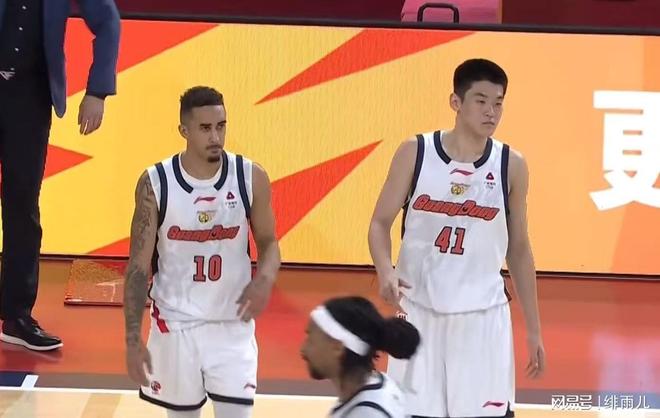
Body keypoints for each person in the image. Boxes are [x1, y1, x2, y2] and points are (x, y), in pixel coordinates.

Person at [368, 58, 545, 417]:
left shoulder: (511, 164)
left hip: (483, 317)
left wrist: (534, 329)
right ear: (456, 102)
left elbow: (519, 249)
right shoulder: (415, 152)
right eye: (481, 101)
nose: (491, 112)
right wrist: (385, 269)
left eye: (498, 103)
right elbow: (379, 223)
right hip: (419, 311)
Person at [122, 86, 281, 418]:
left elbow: (269, 242)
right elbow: (138, 268)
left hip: (232, 324)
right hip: (176, 326)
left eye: (221, 126)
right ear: (184, 130)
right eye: (205, 128)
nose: (215, 137)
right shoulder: (155, 183)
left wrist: (265, 278)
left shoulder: (250, 176)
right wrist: (133, 337)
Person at [0, 0, 120, 351]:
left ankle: (16, 316)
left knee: (23, 206)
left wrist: (97, 91)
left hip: (30, 98)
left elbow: (107, 21)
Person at [301, 296, 420, 418]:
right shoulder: (376, 387)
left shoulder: (367, 413)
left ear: (337, 348)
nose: (303, 350)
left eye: (311, 340)